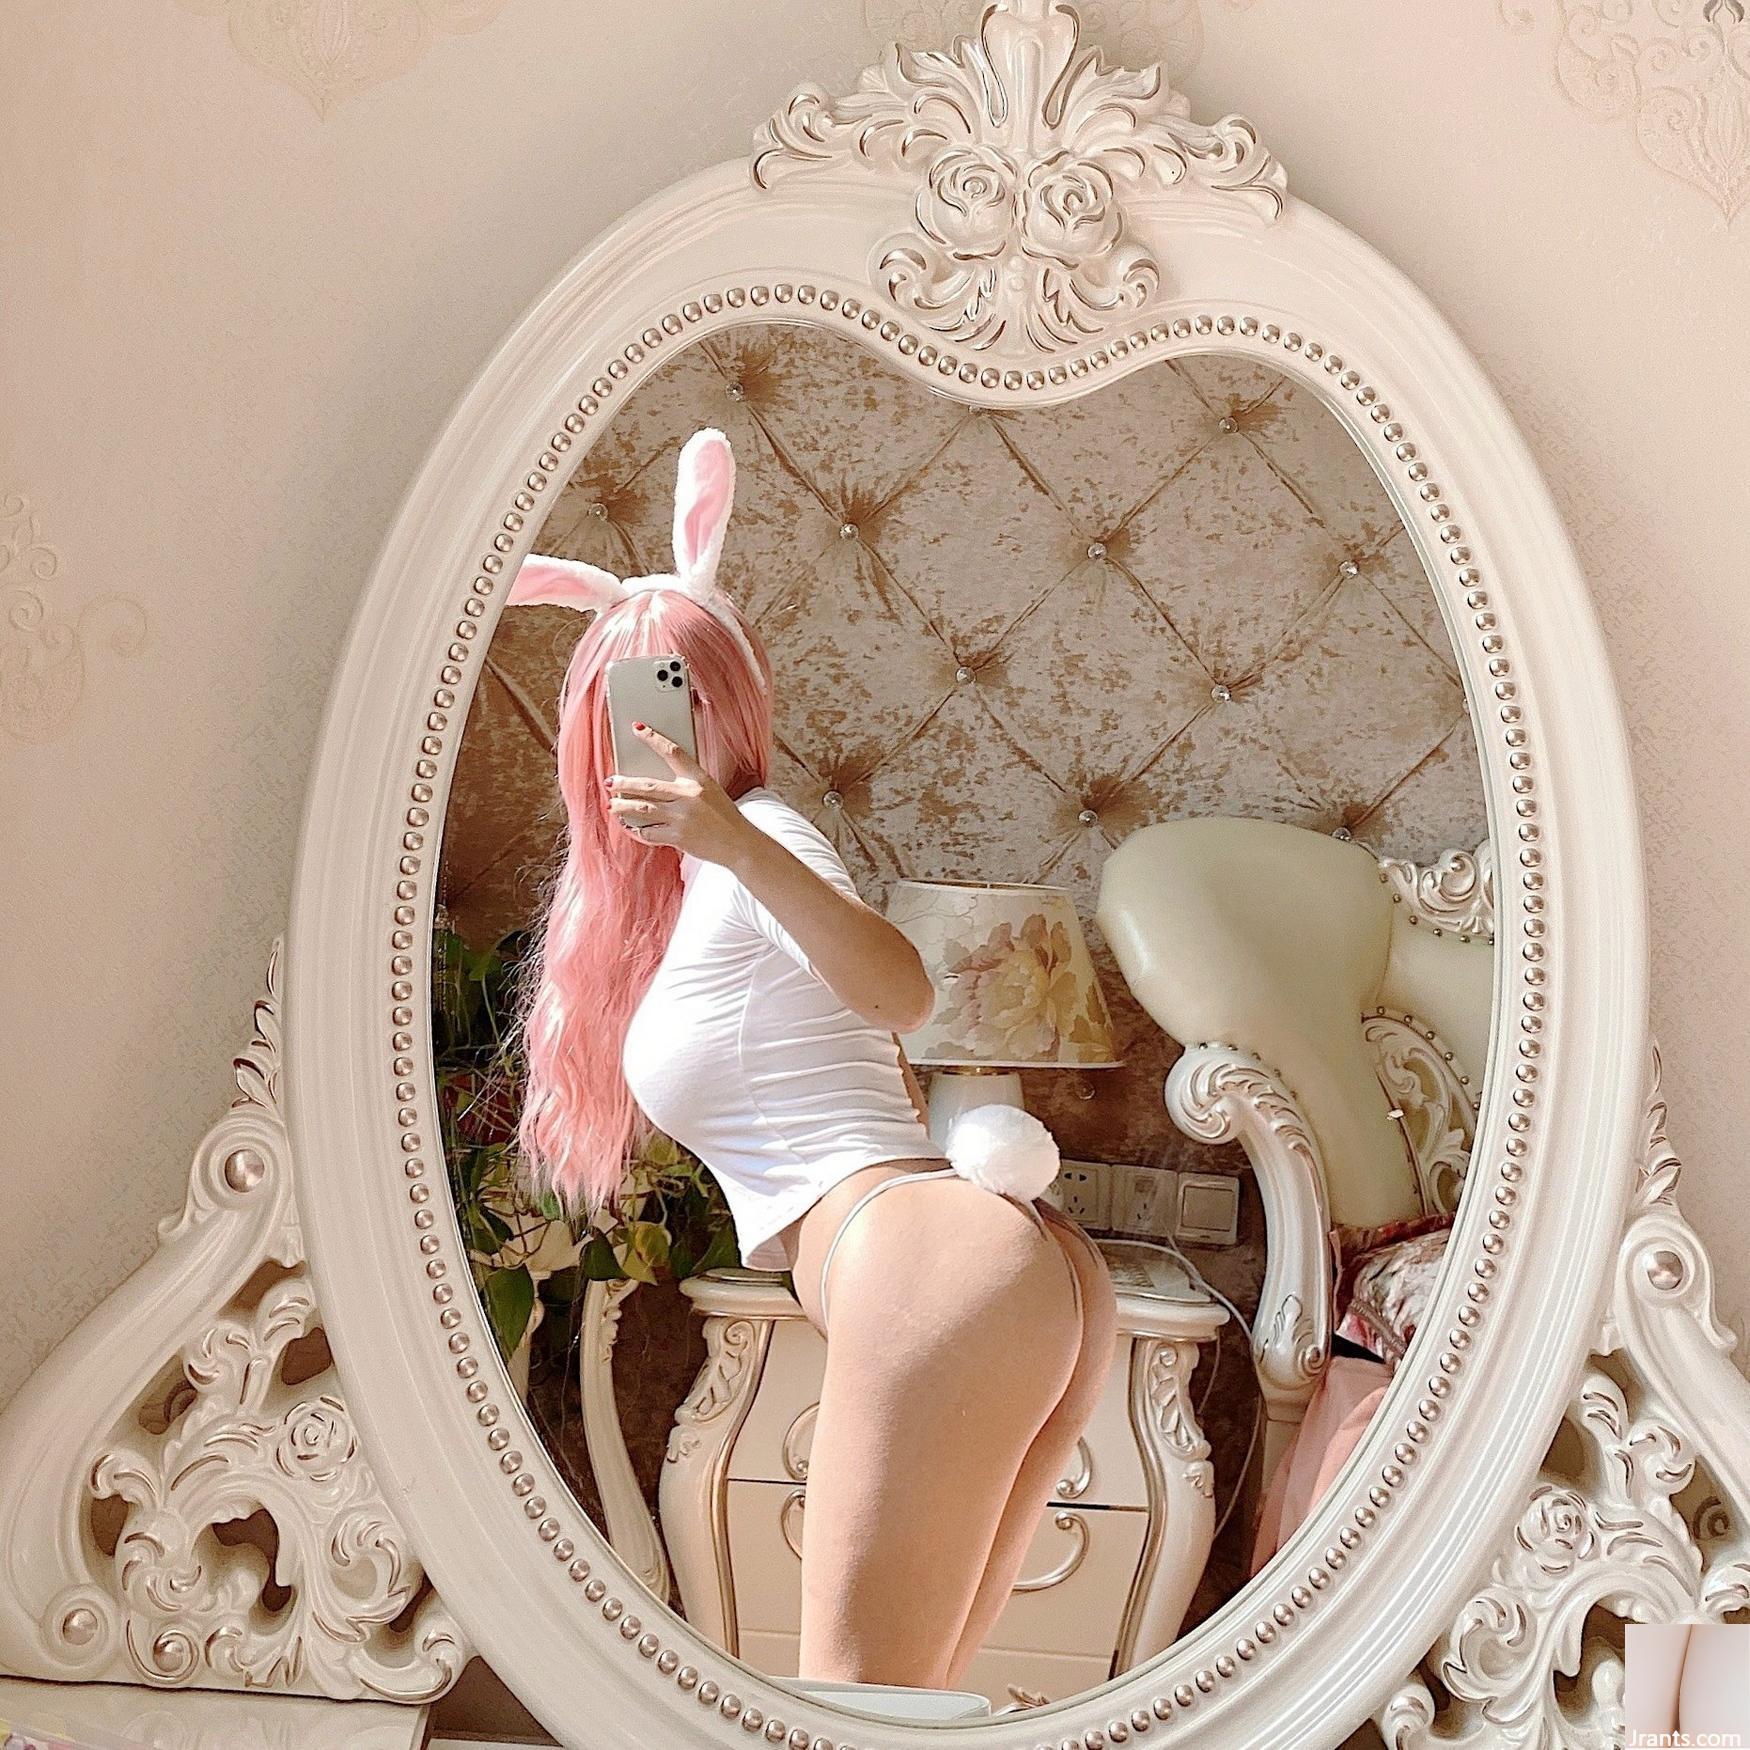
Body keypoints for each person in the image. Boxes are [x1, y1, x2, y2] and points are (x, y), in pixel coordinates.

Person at [508, 427, 1117, 1691]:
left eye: (675, 695)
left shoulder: (760, 839)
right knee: (904, 1706)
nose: (645, 735)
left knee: (848, 1697)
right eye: (622, 704)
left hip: (924, 1265)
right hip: (965, 1262)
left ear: (728, 702)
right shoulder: (692, 886)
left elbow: (901, 989)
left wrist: (730, 836)